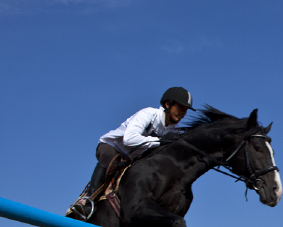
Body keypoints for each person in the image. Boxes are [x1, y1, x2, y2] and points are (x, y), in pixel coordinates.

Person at [69, 86, 196, 218]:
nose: (183, 112)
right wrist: (160, 141)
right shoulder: (148, 114)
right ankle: (87, 200)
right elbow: (129, 140)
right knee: (110, 157)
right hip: (113, 147)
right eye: (181, 107)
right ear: (168, 104)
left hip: (133, 158)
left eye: (186, 110)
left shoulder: (176, 130)